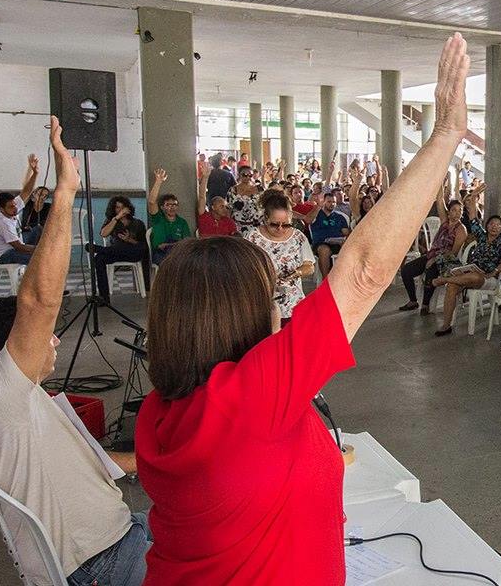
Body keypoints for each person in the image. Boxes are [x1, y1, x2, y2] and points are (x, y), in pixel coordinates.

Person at [132, 34, 471, 586]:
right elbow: (363, 271)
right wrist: (446, 133)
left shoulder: (160, 414)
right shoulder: (248, 399)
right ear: (238, 313)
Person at [0, 117, 150, 586]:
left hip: (123, 532)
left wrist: (177, 459)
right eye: (44, 335)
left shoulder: (26, 407)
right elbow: (39, 302)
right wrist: (64, 193)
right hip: (100, 564)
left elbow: (102, 464)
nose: (55, 340)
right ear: (13, 349)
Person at [433, 189, 501, 336]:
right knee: (452, 286)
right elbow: (472, 218)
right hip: (470, 271)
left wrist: (495, 271)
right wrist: (473, 201)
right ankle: (446, 325)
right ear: (487, 226)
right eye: (491, 224)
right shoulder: (482, 236)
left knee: (475, 277)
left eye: (498, 225)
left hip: (489, 278)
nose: (494, 226)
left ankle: (443, 279)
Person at [245, 191, 315, 322]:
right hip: (262, 304)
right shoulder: (253, 237)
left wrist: (296, 272)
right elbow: (244, 268)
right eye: (274, 224)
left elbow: (309, 266)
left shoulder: (298, 237)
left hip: (293, 303)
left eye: (286, 224)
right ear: (266, 218)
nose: (280, 229)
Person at [399, 184, 468, 315]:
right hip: (431, 255)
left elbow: (452, 253)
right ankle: (413, 301)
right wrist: (440, 179)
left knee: (431, 271)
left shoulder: (461, 229)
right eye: (454, 210)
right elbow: (440, 199)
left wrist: (436, 259)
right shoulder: (444, 221)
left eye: (460, 210)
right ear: (449, 211)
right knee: (406, 270)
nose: (457, 213)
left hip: (446, 260)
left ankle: (425, 305)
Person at [95, 196, 149, 301]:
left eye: (123, 207)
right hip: (116, 252)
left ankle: (102, 249)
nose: (121, 210)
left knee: (104, 252)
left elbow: (143, 245)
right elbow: (103, 234)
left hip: (133, 253)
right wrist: (116, 218)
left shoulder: (138, 223)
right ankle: (104, 297)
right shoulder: (112, 221)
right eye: (117, 208)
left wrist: (129, 239)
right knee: (98, 258)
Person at [0, 154, 39, 265]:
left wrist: (35, 173)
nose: (15, 208)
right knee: (38, 259)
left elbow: (26, 191)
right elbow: (19, 247)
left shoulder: (12, 207)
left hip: (15, 245)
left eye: (15, 205)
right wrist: (40, 250)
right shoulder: (3, 222)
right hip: (4, 255)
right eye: (11, 207)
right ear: (1, 209)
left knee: (37, 229)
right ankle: (33, 280)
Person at [147, 169, 191, 266]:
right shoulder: (158, 218)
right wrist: (158, 182)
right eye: (168, 205)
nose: (172, 207)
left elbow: (187, 242)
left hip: (177, 253)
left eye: (174, 205)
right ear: (162, 207)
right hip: (160, 254)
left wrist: (170, 245)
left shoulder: (182, 222)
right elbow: (151, 202)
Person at [308, 191, 350, 278]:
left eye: (334, 202)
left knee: (348, 246)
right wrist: (318, 207)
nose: (332, 204)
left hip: (337, 243)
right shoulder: (317, 214)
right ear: (323, 202)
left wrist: (346, 238)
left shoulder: (340, 217)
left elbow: (346, 232)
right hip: (320, 243)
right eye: (329, 202)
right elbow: (308, 220)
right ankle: (325, 280)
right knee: (324, 250)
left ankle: (345, 277)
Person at [196, 163, 238, 237]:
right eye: (221, 206)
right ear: (213, 207)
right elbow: (202, 196)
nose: (225, 209)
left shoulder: (229, 222)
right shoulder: (204, 217)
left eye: (225, 207)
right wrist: (205, 177)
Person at [227, 164, 265, 236]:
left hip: (256, 225)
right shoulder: (233, 190)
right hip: (238, 225)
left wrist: (262, 177)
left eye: (250, 175)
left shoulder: (258, 189)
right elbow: (229, 208)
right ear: (239, 175)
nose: (247, 177)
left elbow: (265, 203)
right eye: (244, 175)